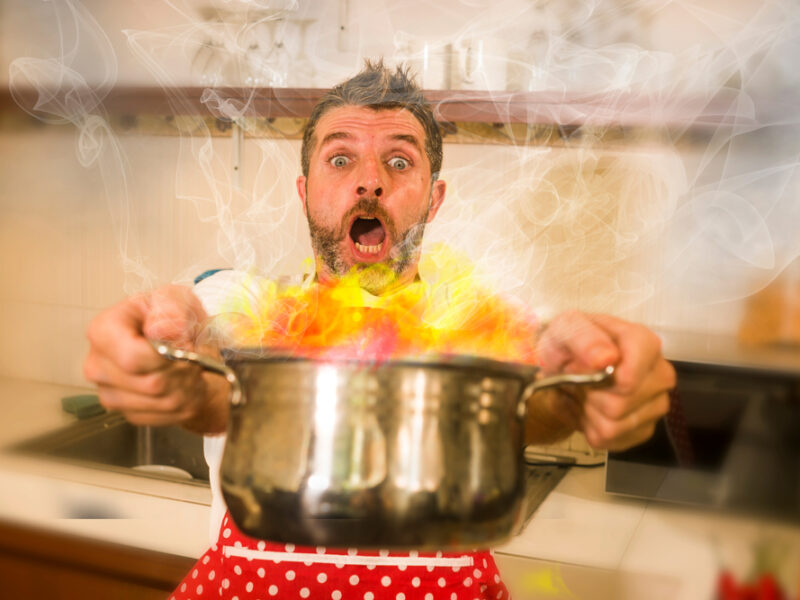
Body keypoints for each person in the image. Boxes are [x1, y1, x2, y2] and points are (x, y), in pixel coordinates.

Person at [83, 60, 676, 600]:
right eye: (340, 160)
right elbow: (208, 357)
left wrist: (576, 388)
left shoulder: (474, 324)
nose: (369, 182)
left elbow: (531, 393)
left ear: (434, 199)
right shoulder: (249, 304)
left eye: (399, 161)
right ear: (305, 190)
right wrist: (168, 355)